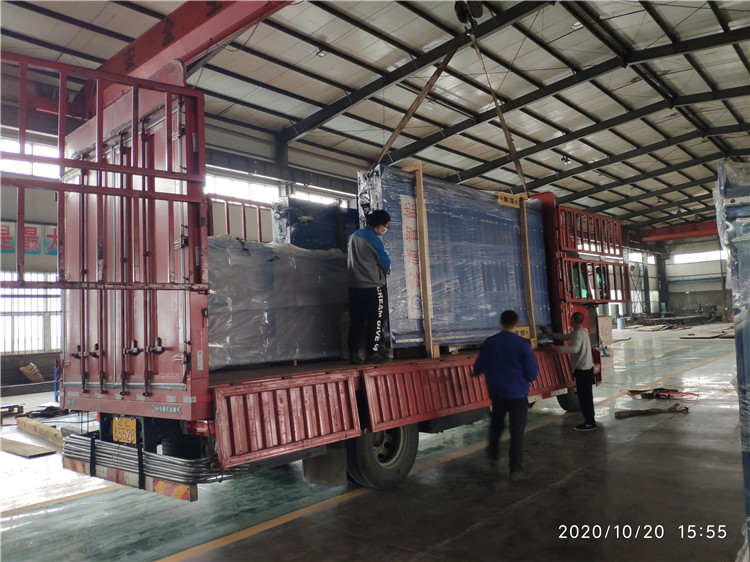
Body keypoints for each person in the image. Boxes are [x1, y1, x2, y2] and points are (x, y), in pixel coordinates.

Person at [473, 310, 539, 481]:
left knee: (496, 424)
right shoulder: (522, 345)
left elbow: (478, 368)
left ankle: (493, 454)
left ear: (501, 323)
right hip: (518, 394)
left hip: (497, 393)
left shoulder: (490, 342)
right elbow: (532, 374)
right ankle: (515, 470)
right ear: (517, 324)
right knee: (516, 431)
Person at [347, 209, 391, 364]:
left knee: (356, 320)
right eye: (386, 226)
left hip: (354, 286)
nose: (385, 229)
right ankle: (372, 353)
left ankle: (353, 353)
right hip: (372, 286)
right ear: (380, 226)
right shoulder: (373, 238)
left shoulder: (353, 236)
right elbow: (384, 261)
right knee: (376, 320)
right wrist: (387, 270)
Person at [542, 312, 596, 431]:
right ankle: (590, 421)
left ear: (573, 321)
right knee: (586, 397)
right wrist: (550, 334)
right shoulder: (582, 332)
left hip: (583, 370)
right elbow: (565, 337)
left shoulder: (578, 333)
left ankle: (589, 423)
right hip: (586, 369)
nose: (569, 321)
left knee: (585, 398)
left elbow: (575, 349)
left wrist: (558, 349)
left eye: (570, 319)